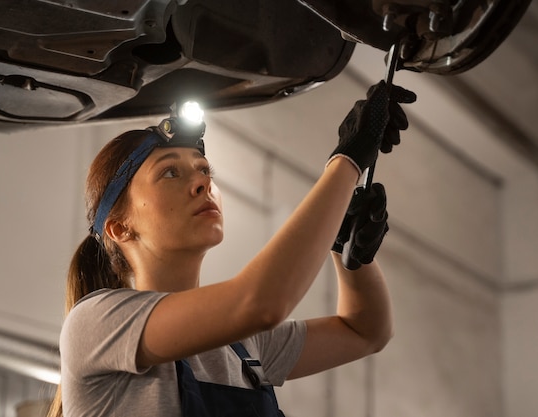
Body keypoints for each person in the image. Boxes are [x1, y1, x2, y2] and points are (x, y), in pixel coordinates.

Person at [47, 81, 416, 417]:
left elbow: (366, 331)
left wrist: (348, 252)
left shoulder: (241, 345)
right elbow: (260, 303)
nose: (202, 183)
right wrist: (347, 160)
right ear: (119, 226)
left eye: (205, 170)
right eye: (170, 172)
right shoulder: (96, 325)